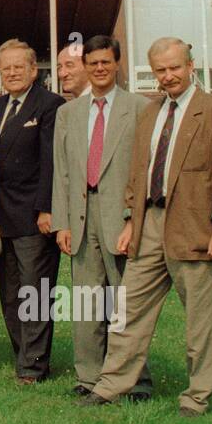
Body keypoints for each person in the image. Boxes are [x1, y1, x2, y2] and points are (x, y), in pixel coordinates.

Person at [81, 38, 212, 417]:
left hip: (194, 224)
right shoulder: (151, 114)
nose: (167, 76)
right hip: (149, 224)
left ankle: (197, 396)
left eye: (174, 68)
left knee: (199, 319)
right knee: (127, 310)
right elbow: (139, 172)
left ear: (190, 65)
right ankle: (110, 386)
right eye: (160, 70)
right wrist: (129, 220)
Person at [51, 35, 151, 398]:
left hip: (119, 218)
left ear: (117, 63)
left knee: (126, 302)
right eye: (92, 63)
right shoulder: (68, 113)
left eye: (105, 62)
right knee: (87, 302)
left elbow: (142, 171)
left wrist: (132, 220)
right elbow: (61, 171)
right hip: (80, 217)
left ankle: (135, 379)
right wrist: (61, 221)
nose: (99, 68)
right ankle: (89, 377)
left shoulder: (139, 108)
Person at [0, 39, 64, 384]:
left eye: (20, 66)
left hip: (35, 217)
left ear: (34, 70)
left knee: (35, 292)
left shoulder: (51, 105)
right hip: (2, 217)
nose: (13, 72)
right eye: (6, 67)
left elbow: (51, 162)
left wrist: (46, 209)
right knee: (10, 292)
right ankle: (22, 352)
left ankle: (33, 366)